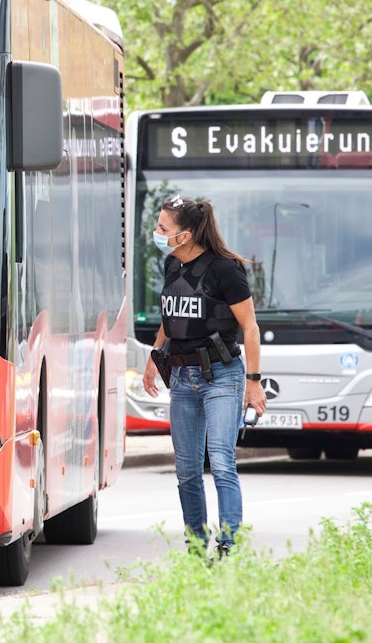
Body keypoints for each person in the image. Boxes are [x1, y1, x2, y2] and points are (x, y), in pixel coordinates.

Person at [141, 195, 265, 558]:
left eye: (164, 229)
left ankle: (228, 544)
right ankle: (197, 544)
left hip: (222, 376)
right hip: (181, 378)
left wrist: (253, 382)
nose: (158, 233)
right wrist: (154, 356)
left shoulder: (225, 270)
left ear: (187, 234)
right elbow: (170, 318)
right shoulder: (171, 266)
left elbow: (250, 327)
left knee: (222, 461)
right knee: (187, 470)